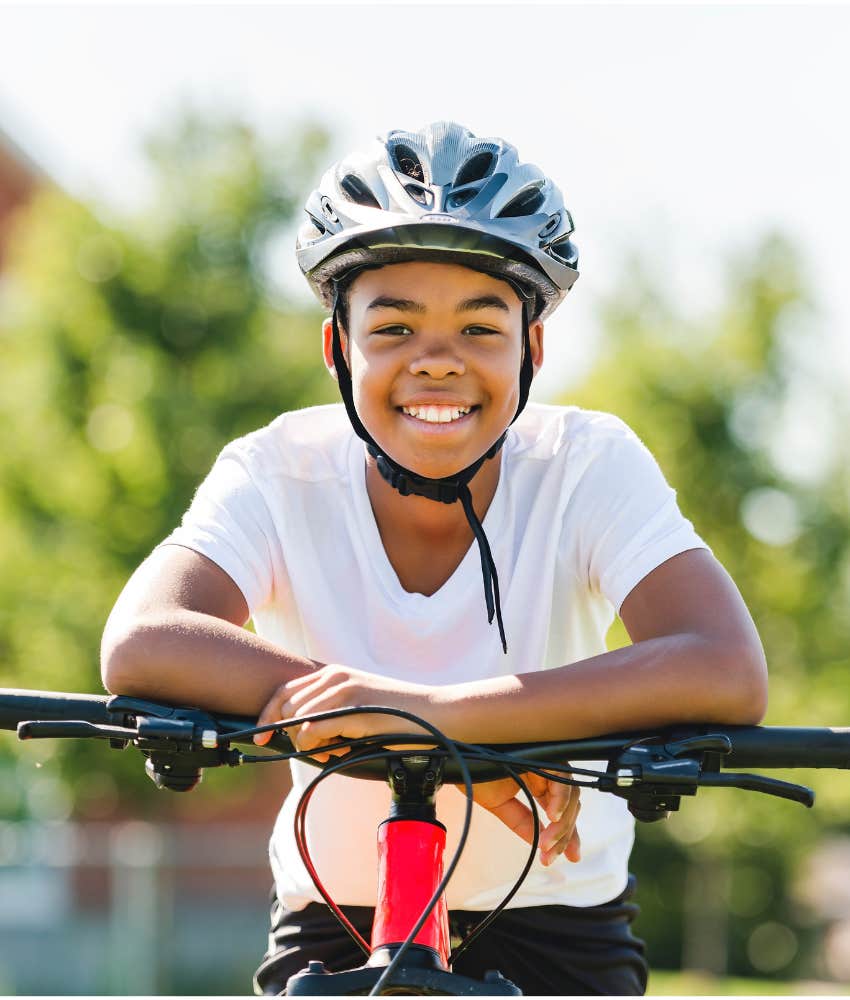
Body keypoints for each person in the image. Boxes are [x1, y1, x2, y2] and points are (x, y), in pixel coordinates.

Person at [100, 121, 768, 995]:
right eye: (395, 327)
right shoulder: (276, 469)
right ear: (340, 348)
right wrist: (426, 734)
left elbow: (724, 667)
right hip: (335, 916)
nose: (438, 363)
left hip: (558, 920)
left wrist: (425, 713)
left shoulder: (586, 464)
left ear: (533, 351)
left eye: (482, 328)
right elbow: (145, 637)